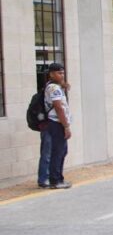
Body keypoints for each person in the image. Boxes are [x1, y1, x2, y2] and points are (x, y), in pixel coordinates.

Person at [38, 62, 72, 190]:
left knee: (61, 151)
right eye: (59, 73)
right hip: (56, 123)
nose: (62, 75)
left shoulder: (56, 87)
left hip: (57, 123)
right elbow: (58, 108)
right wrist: (66, 126)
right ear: (51, 74)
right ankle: (55, 180)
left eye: (62, 73)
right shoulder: (53, 88)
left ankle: (57, 179)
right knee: (58, 152)